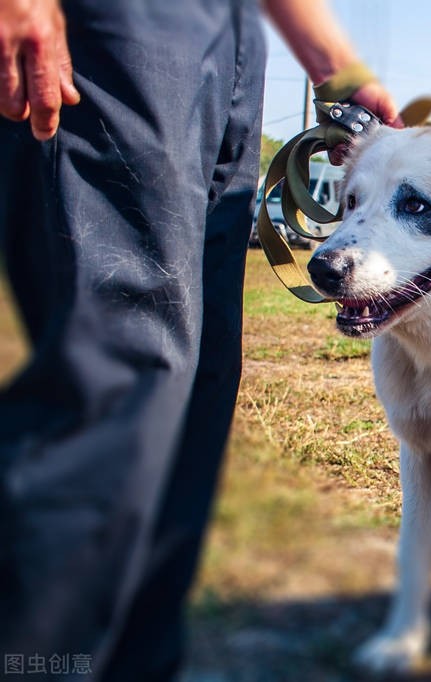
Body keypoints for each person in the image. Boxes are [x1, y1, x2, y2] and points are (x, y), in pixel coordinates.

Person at [0, 1, 399, 679]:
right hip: (116, 28)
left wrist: (334, 66)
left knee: (197, 386)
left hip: (228, 38)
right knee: (117, 376)